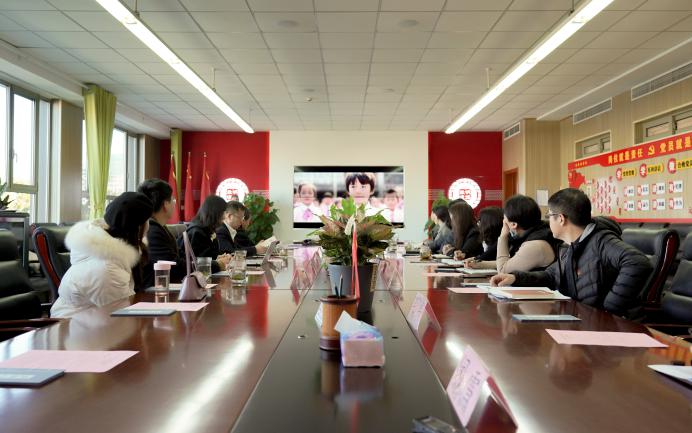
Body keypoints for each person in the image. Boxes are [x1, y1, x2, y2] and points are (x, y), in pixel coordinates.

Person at [490, 188, 652, 319]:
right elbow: (551, 275)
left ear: (561, 219)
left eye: (550, 216)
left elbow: (637, 262)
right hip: (584, 319)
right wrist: (516, 278)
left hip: (614, 327)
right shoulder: (570, 246)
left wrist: (609, 309)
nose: (547, 221)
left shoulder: (601, 240)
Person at [51, 192, 154, 318]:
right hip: (71, 326)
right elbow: (122, 316)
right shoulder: (108, 268)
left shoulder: (111, 254)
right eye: (147, 220)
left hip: (91, 322)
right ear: (138, 227)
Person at [467, 195, 558, 272]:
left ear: (514, 224)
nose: (503, 221)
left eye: (504, 218)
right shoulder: (535, 233)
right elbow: (512, 262)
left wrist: (503, 236)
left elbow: (503, 270)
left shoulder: (535, 245)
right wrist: (480, 264)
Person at [137, 179, 187, 288]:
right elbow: (173, 267)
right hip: (152, 293)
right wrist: (210, 265)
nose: (174, 203)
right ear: (165, 204)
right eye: (173, 200)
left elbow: (182, 257)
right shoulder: (151, 231)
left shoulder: (160, 227)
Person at [178, 195, 231, 271]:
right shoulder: (197, 233)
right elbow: (199, 264)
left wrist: (218, 258)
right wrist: (218, 263)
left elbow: (207, 256)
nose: (224, 217)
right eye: (223, 213)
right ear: (215, 213)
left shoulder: (207, 230)